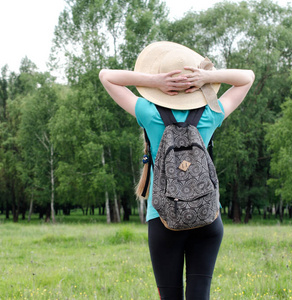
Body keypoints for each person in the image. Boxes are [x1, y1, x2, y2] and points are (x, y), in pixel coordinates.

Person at [99, 41, 254, 300]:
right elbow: (247, 77)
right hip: (207, 217)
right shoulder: (211, 113)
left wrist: (153, 81)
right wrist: (208, 76)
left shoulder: (149, 113)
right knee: (199, 294)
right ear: (195, 85)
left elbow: (107, 76)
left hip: (163, 219)